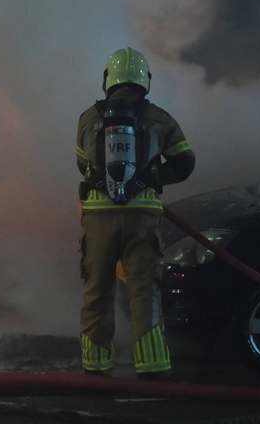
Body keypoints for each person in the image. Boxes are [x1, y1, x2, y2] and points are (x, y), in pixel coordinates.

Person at [76, 47, 195, 379]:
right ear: (146, 80)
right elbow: (186, 163)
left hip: (98, 216)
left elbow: (82, 164)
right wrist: (152, 178)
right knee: (143, 289)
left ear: (107, 80)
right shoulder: (159, 118)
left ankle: (96, 366)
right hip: (141, 216)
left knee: (97, 288)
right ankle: (152, 366)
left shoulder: (87, 118)